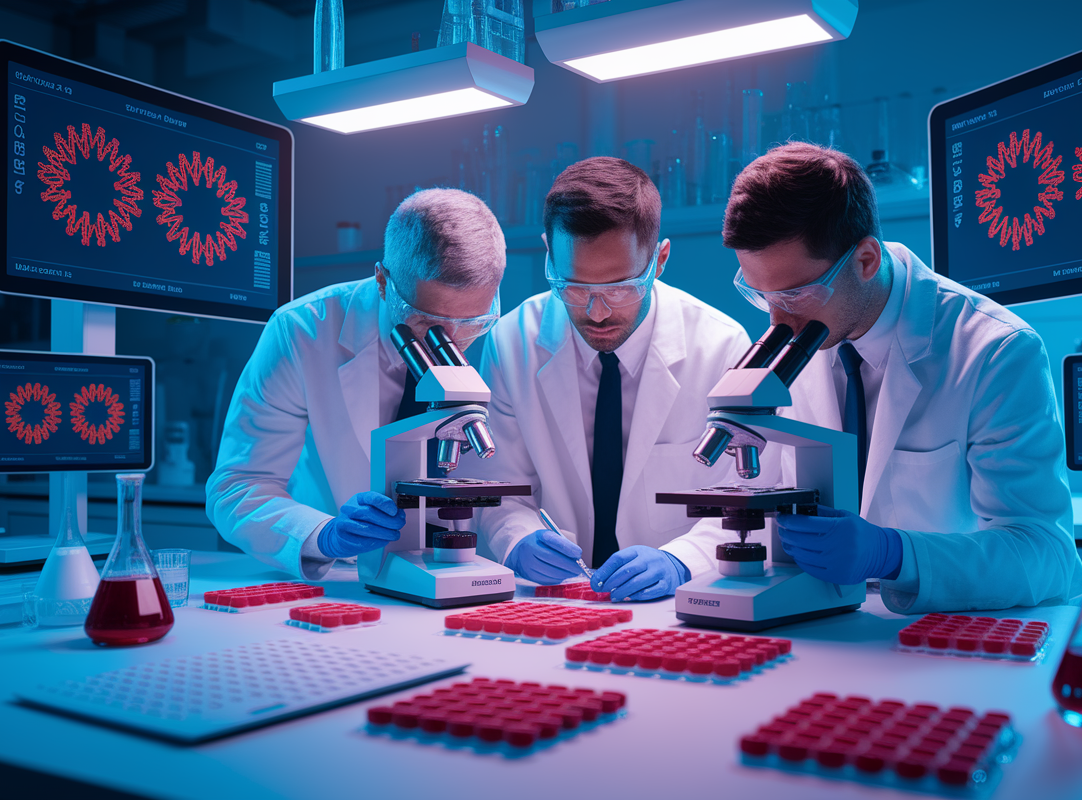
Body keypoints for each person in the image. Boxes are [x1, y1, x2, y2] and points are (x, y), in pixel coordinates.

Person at [721, 142, 1082, 613]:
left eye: (796, 295)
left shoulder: (994, 350)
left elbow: (1046, 555)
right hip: (828, 628)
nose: (776, 322)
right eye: (759, 294)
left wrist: (894, 554)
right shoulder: (799, 342)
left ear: (866, 260)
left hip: (950, 640)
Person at [459, 157, 760, 601]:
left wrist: (683, 561)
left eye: (620, 288)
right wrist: (518, 539)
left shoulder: (720, 347)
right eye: (574, 288)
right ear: (549, 253)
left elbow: (749, 499)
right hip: (558, 600)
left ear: (659, 259)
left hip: (673, 607)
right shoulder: (513, 341)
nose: (597, 312)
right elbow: (498, 486)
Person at [207, 189, 506, 579]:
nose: (450, 341)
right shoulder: (303, 332)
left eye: (471, 324)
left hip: (450, 567)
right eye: (426, 322)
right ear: (382, 281)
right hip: (339, 575)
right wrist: (323, 535)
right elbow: (236, 487)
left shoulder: (502, 337)